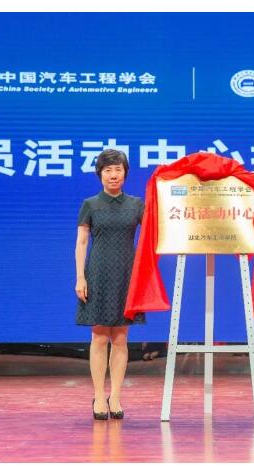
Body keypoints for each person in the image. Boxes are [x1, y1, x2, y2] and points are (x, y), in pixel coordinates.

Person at [74, 149, 145, 421]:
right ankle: (98, 395)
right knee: (99, 336)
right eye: (107, 170)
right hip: (98, 273)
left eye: (118, 170)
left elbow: (152, 234)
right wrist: (80, 277)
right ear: (99, 174)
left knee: (121, 338)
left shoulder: (136, 205)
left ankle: (115, 395)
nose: (113, 175)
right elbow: (82, 242)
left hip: (127, 274)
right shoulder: (90, 204)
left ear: (125, 173)